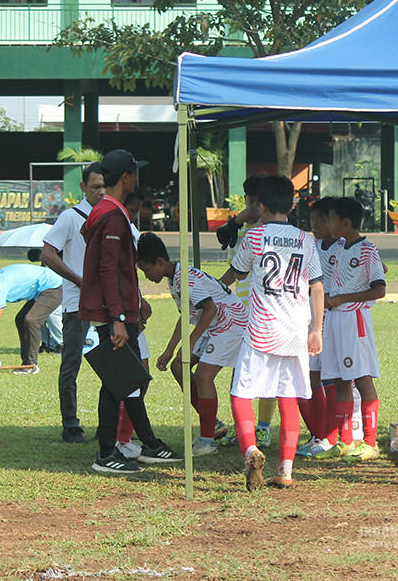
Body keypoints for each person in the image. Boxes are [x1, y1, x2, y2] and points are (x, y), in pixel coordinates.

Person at [79, 148, 182, 474]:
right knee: (117, 382)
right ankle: (107, 453)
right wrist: (118, 319)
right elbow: (109, 270)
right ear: (126, 177)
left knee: (128, 380)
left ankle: (148, 444)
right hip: (119, 314)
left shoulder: (109, 211)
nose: (137, 177)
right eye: (135, 172)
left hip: (124, 312)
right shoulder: (111, 215)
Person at [228, 175, 324, 490]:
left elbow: (238, 271)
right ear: (293, 204)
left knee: (241, 392)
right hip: (296, 330)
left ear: (261, 206)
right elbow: (317, 285)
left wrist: (217, 283)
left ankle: (251, 449)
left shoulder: (254, 237)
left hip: (260, 330)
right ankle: (285, 470)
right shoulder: (307, 240)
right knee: (289, 397)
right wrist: (317, 329)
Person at [137, 232, 248, 457]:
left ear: (160, 262)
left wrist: (189, 342)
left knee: (203, 376)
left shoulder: (185, 278)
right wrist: (170, 350)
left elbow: (211, 309)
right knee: (179, 366)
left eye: (147, 270)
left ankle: (207, 441)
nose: (147, 276)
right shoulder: (173, 278)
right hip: (213, 324)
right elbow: (188, 314)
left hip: (231, 324)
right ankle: (213, 423)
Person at [314, 197, 386, 461]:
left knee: (362, 379)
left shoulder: (367, 249)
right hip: (334, 320)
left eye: (331, 220)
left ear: (345, 222)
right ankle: (344, 440)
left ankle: (370, 442)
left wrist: (342, 299)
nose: (328, 224)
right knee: (340, 380)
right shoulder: (341, 246)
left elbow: (379, 289)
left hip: (354, 320)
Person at [42, 162, 106, 443]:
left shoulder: (113, 215)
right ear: (83, 188)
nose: (101, 192)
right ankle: (71, 424)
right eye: (95, 187)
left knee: (114, 363)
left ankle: (110, 425)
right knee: (71, 362)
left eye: (105, 186)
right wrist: (78, 279)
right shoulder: (71, 217)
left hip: (108, 303)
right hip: (76, 303)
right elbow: (48, 254)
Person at [218, 174, 277, 450]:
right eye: (249, 202)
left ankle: (263, 428)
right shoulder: (238, 231)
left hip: (267, 313)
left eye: (258, 203)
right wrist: (216, 289)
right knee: (239, 371)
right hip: (241, 313)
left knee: (267, 374)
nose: (253, 208)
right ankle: (242, 427)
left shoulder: (273, 230)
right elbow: (235, 270)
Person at [295, 197, 341, 457]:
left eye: (321, 220)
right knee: (310, 375)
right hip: (311, 319)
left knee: (332, 377)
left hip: (334, 320)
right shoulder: (310, 246)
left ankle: (331, 434)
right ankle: (316, 433)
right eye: (312, 220)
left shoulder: (345, 247)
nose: (315, 225)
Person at [0, 261, 63, 375]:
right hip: (40, 291)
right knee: (20, 319)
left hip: (53, 287)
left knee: (31, 320)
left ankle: (31, 365)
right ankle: (26, 364)